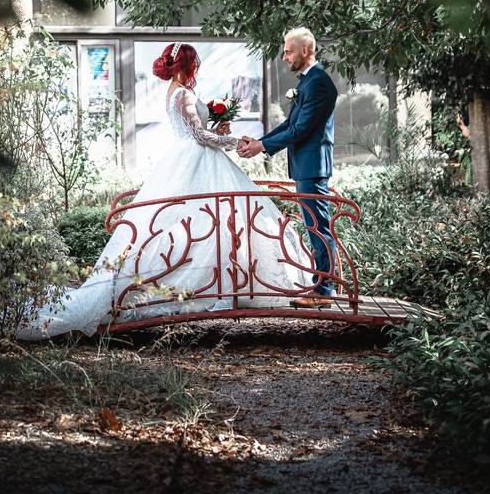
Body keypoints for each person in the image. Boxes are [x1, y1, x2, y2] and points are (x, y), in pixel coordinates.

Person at [17, 43, 312, 339]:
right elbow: (197, 135)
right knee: (205, 218)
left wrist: (218, 129)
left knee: (210, 219)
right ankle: (203, 286)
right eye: (193, 63)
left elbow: (199, 130)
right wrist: (233, 142)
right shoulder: (182, 93)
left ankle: (223, 284)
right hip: (194, 158)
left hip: (191, 158)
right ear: (185, 65)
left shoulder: (175, 91)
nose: (197, 67)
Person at [237, 28, 339, 308]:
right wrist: (260, 142)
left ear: (305, 51)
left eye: (289, 51)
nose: (284, 57)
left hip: (312, 166)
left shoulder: (318, 83)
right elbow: (288, 126)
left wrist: (261, 147)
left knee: (318, 227)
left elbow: (301, 130)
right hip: (305, 165)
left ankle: (324, 291)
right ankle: (322, 287)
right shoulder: (308, 82)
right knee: (314, 225)